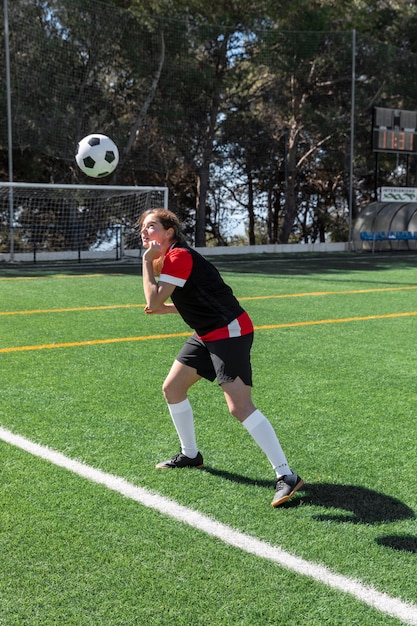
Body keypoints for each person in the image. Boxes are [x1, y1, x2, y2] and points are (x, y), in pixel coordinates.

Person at [137, 208, 304, 507]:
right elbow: (176, 303)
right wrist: (163, 304)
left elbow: (153, 299)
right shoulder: (172, 259)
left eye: (152, 226)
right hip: (207, 331)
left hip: (230, 331)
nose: (145, 232)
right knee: (172, 389)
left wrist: (146, 263)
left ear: (169, 232)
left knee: (239, 407)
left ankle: (287, 475)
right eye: (143, 227)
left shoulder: (178, 256)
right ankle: (190, 455)